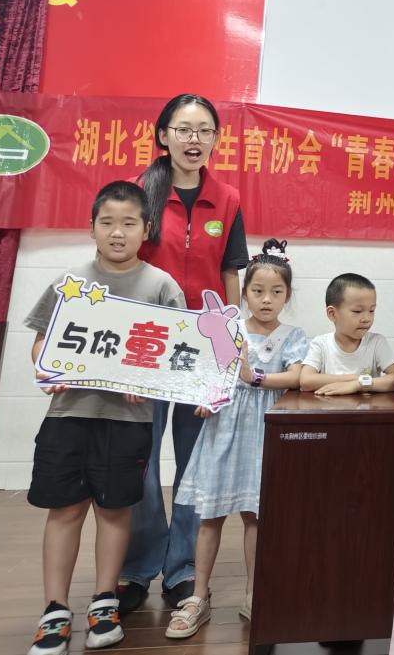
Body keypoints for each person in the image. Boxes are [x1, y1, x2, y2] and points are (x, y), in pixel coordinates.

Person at [26, 181, 186, 655]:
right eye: (107, 223)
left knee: (115, 510)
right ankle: (55, 610)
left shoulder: (161, 286)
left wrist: (150, 382)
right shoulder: (71, 282)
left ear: (146, 229)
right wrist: (45, 366)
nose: (118, 233)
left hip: (128, 421)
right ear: (92, 227)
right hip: (69, 414)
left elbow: (178, 355)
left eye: (129, 223)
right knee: (65, 509)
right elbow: (42, 340)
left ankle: (104, 602)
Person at [119, 93, 248, 615]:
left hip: (204, 343)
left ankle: (183, 569)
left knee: (196, 464)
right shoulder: (140, 191)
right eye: (184, 129)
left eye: (204, 130)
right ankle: (136, 567)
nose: (194, 140)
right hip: (149, 341)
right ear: (163, 135)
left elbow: (230, 273)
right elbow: (122, 263)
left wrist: (232, 343)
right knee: (142, 461)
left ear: (215, 139)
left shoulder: (228, 199)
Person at [166, 240, 308, 638]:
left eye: (276, 291)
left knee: (255, 515)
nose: (266, 299)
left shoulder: (294, 335)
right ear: (244, 293)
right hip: (223, 427)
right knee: (209, 515)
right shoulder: (231, 330)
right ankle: (198, 595)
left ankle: (253, 593)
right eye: (258, 291)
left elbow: (297, 376)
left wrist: (254, 377)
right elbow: (210, 373)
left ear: (287, 296)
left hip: (265, 431)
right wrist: (206, 398)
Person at [299, 274, 394, 392]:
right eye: (357, 311)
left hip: (366, 404)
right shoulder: (321, 344)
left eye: (371, 310)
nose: (367, 318)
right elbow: (306, 380)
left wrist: (359, 384)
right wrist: (354, 378)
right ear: (332, 314)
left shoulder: (376, 342)